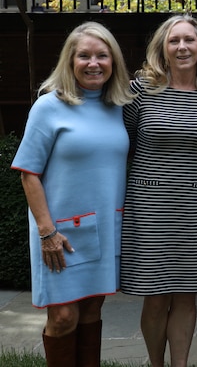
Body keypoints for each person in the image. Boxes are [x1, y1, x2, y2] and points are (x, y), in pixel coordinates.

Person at [11, 21, 134, 367]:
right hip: (59, 233)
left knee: (93, 308)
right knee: (64, 317)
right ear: (69, 60)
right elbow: (28, 173)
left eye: (102, 55)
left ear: (114, 61)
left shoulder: (119, 106)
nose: (93, 63)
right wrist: (47, 232)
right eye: (84, 56)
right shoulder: (49, 107)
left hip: (105, 226)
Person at [120, 14, 197, 367]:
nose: (182, 47)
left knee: (187, 294)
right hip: (149, 205)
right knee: (155, 296)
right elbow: (123, 142)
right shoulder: (141, 90)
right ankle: (156, 364)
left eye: (189, 40)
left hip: (195, 205)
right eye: (174, 41)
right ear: (162, 48)